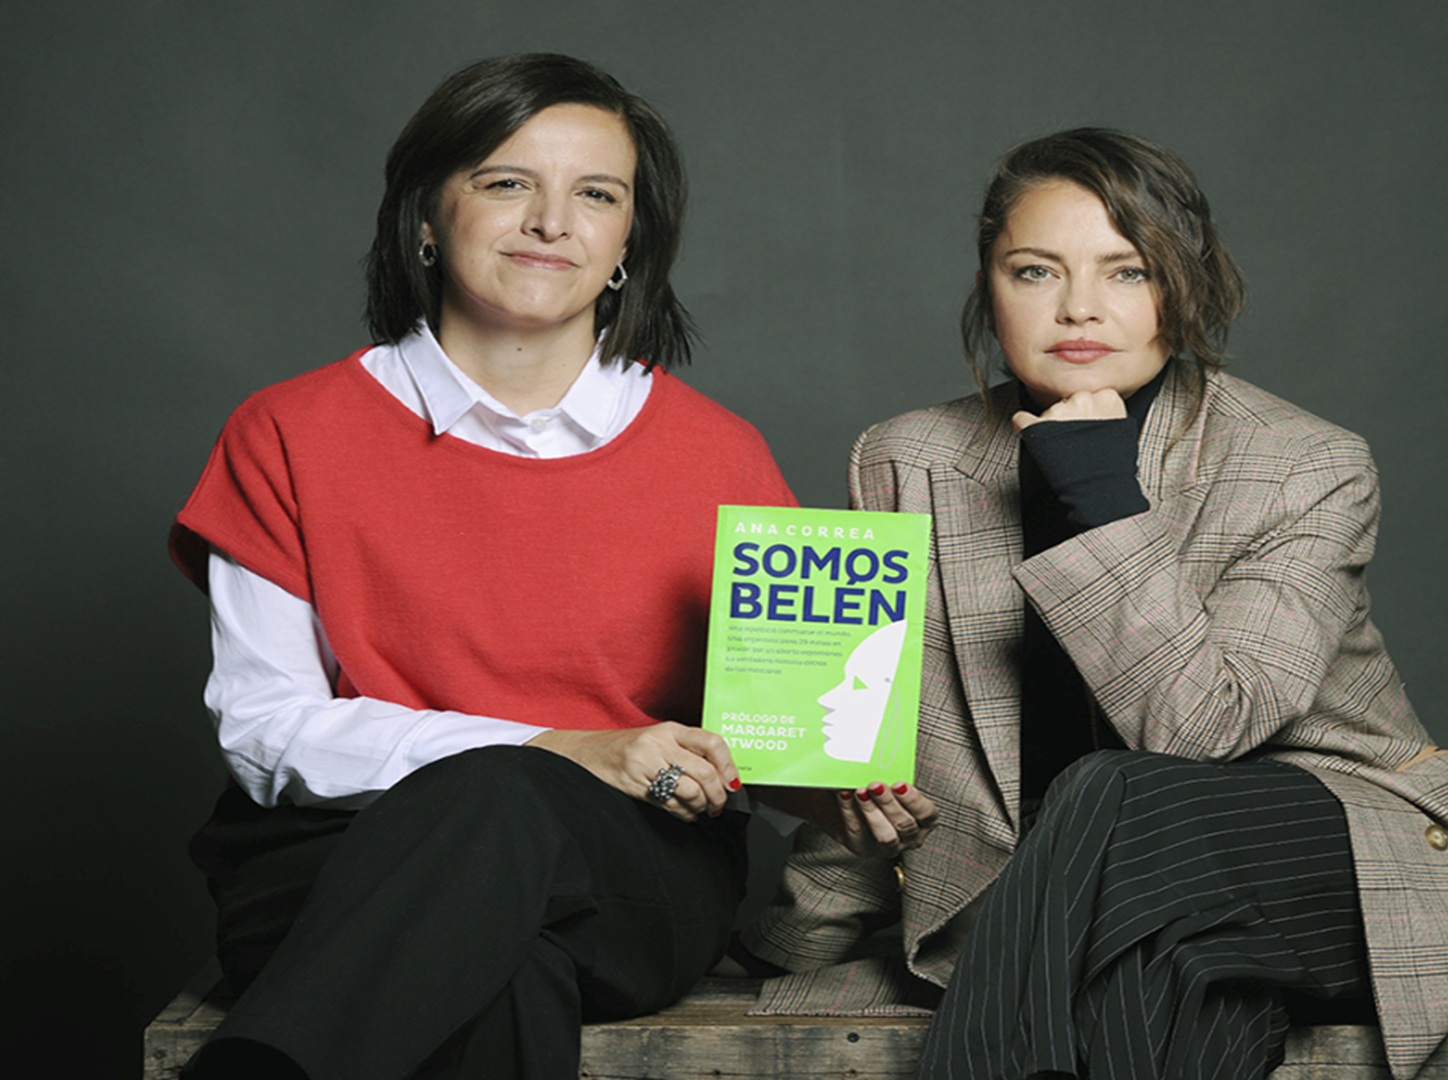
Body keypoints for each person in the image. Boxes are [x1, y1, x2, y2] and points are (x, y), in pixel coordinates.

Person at [740, 129, 1448, 1080]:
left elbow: (1202, 731)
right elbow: (868, 737)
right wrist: (796, 934)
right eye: (1035, 271)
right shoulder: (908, 460)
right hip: (1100, 918)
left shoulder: (1301, 464)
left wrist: (1098, 487)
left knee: (1113, 794)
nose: (1078, 308)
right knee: (1156, 978)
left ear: (1184, 286)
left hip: (1337, 866)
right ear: (988, 287)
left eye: (1126, 272)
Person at [168, 54, 928, 1080]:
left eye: (597, 195)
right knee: (507, 953)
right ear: (426, 216)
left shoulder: (719, 454)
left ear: (628, 242)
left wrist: (829, 791)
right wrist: (560, 747)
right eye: (506, 181)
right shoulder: (285, 432)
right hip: (333, 860)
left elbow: (767, 739)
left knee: (502, 818)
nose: (551, 222)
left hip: (632, 870)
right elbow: (266, 733)